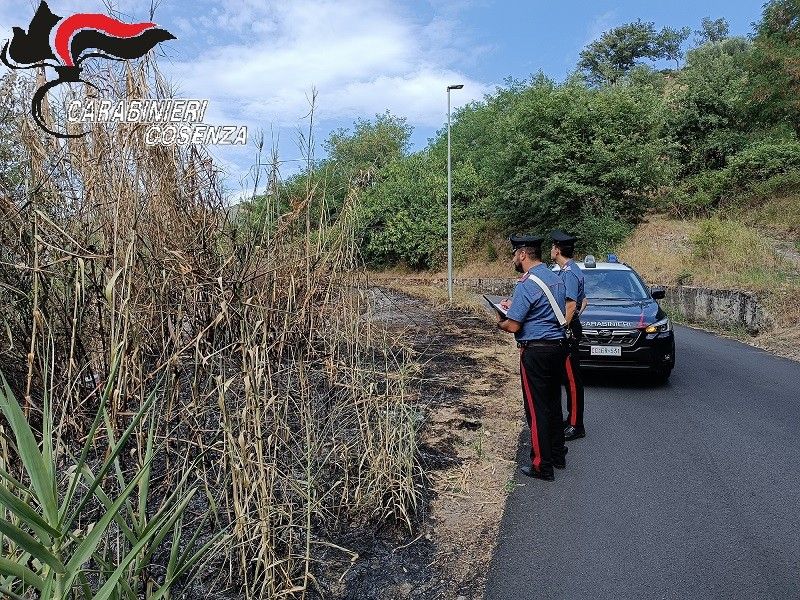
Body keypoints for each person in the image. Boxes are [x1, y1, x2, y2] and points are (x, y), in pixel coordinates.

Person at [497, 234, 568, 481]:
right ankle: (558, 455)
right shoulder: (555, 278)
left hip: (536, 351)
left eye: (515, 254)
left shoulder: (527, 284)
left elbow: (514, 325)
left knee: (536, 409)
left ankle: (541, 464)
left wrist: (500, 321)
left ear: (523, 255)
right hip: (558, 348)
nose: (514, 258)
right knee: (552, 404)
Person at [550, 229, 587, 441]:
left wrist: (563, 327)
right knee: (567, 377)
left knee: (572, 379)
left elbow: (571, 303)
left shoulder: (570, 273)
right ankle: (571, 419)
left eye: (552, 247)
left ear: (557, 250)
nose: (551, 250)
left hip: (569, 330)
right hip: (570, 327)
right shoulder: (567, 270)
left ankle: (576, 424)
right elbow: (585, 300)